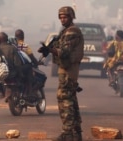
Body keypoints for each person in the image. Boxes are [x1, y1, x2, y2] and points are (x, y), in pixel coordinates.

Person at [40, 6, 84, 141]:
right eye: (61, 17)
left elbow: (65, 51)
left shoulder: (72, 32)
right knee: (70, 98)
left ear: (71, 17)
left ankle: (67, 133)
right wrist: (48, 50)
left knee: (64, 99)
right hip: (66, 68)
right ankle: (76, 132)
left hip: (69, 68)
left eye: (65, 17)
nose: (62, 19)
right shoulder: (65, 31)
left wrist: (51, 50)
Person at [0, 32, 23, 99]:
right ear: (7, 39)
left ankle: (0, 91)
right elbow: (17, 63)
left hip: (1, 75)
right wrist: (20, 74)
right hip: (13, 74)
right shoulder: (12, 48)